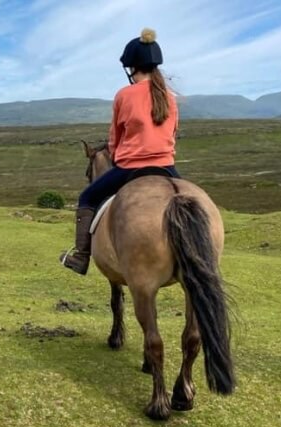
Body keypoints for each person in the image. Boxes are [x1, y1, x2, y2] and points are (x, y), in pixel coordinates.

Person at [60, 28, 180, 275]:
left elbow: (115, 140)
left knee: (87, 198)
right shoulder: (170, 97)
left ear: (132, 67)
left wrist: (119, 153)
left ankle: (81, 257)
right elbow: (173, 133)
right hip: (167, 167)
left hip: (130, 168)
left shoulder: (124, 95)